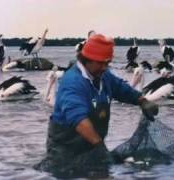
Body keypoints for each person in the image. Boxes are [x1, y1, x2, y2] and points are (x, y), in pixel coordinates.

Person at [35, 33, 159, 178]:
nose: (105, 67)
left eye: (107, 63)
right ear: (87, 60)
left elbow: (120, 88)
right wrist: (100, 146)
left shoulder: (103, 75)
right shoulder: (73, 82)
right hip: (65, 153)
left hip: (92, 148)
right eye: (101, 63)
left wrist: (142, 101)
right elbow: (79, 121)